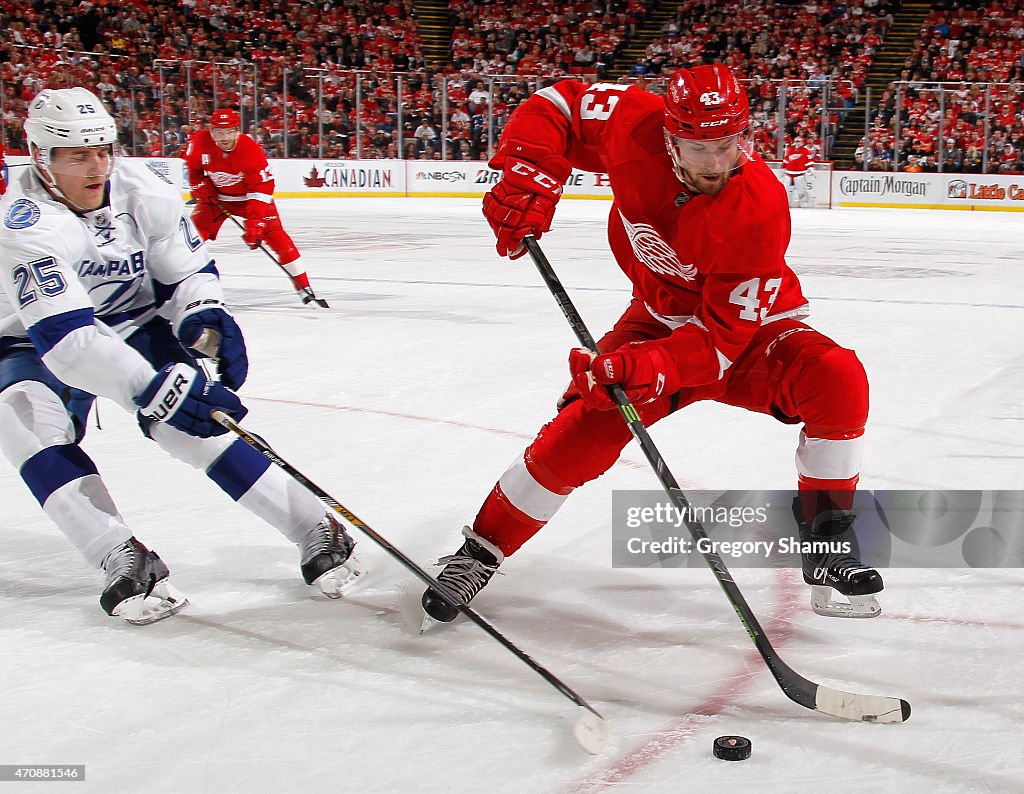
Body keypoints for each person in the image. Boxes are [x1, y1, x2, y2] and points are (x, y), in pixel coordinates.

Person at [421, 64, 883, 624]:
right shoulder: (633, 121)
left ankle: (830, 545)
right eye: (697, 147)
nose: (715, 164)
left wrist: (641, 368)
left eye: (726, 145)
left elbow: (716, 348)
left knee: (836, 379)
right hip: (656, 320)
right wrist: (529, 172)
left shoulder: (758, 207)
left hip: (745, 334)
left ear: (745, 135)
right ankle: (480, 552)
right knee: (581, 432)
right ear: (669, 136)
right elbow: (558, 105)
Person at [0, 88, 361, 625]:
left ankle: (315, 526)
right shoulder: (24, 222)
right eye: (78, 154)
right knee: (25, 422)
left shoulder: (143, 188)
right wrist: (153, 391)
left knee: (193, 426)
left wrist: (203, 314)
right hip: (32, 335)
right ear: (41, 159)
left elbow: (186, 270)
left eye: (102, 149)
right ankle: (118, 553)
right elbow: (70, 343)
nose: (96, 165)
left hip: (130, 320)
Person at [184, 108, 325, 306]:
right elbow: (193, 169)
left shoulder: (250, 151)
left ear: (237, 131)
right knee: (189, 240)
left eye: (229, 132)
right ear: (211, 131)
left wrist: (255, 221)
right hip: (216, 200)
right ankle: (176, 284)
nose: (224, 138)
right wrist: (198, 185)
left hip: (251, 199)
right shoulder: (199, 142)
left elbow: (262, 188)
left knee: (280, 242)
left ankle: (304, 287)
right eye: (218, 132)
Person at [781, 136, 814, 208]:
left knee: (801, 190)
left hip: (799, 173)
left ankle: (804, 204)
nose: (797, 143)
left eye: (799, 141)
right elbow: (786, 158)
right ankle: (786, 204)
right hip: (789, 172)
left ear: (802, 142)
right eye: (796, 141)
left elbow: (808, 160)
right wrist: (783, 168)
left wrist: (810, 168)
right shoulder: (790, 149)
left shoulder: (805, 150)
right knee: (786, 190)